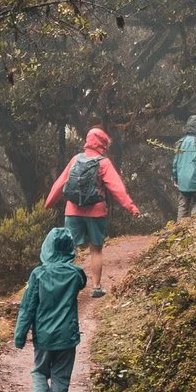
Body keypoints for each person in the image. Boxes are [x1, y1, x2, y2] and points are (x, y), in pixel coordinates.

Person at [44, 126, 139, 297]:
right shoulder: (103, 163)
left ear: (87, 141)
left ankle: (65, 288)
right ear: (103, 144)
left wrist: (48, 203)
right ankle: (96, 287)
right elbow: (117, 188)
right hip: (96, 212)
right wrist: (131, 207)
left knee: (68, 249)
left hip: (72, 210)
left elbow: (60, 183)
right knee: (95, 250)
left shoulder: (75, 160)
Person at [14, 226, 85, 392]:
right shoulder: (76, 274)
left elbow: (27, 307)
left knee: (39, 372)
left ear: (46, 248)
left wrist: (20, 335)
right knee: (61, 377)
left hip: (43, 336)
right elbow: (82, 283)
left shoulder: (38, 275)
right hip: (67, 337)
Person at [173, 114, 196, 219]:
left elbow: (175, 162)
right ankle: (194, 227)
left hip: (182, 180)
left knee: (183, 205)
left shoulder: (180, 142)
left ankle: (179, 229)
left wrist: (176, 178)